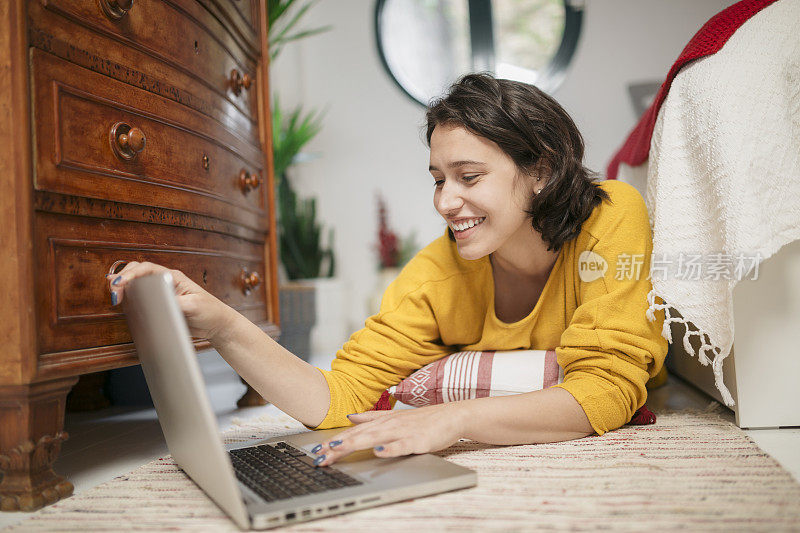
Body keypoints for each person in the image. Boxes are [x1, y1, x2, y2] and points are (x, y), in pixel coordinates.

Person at [107, 73, 667, 468]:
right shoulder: (438, 272)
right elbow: (339, 399)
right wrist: (222, 324)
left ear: (541, 169)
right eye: (438, 179)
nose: (446, 202)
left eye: (469, 177)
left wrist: (451, 421)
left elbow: (605, 392)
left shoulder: (611, 214)